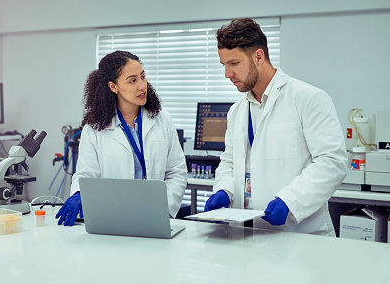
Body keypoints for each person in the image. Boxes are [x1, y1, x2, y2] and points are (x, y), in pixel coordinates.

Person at [204, 18, 347, 235]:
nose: (227, 74)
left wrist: (289, 201)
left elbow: (332, 162)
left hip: (300, 233)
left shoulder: (308, 99)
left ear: (258, 56)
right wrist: (225, 189)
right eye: (224, 65)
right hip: (248, 232)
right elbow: (230, 162)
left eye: (234, 64)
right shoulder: (237, 111)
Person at [56, 50, 188, 226]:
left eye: (143, 77)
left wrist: (162, 209)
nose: (142, 85)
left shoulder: (162, 119)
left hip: (156, 216)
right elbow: (86, 175)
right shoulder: (94, 128)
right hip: (112, 217)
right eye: (132, 80)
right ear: (113, 86)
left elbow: (176, 172)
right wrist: (80, 193)